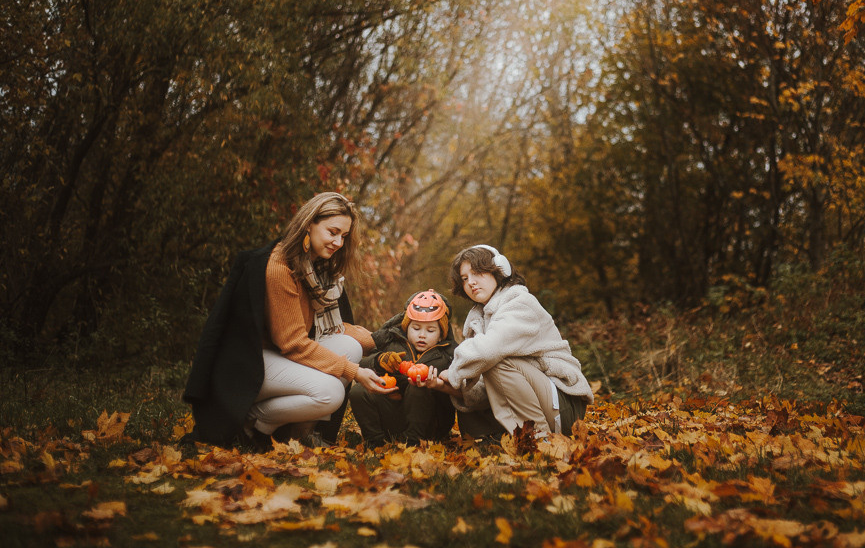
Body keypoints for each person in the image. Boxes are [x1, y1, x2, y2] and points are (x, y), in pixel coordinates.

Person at [183, 192, 395, 450]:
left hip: (279, 356)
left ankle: (299, 433)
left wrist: (377, 340)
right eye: (333, 232)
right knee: (331, 393)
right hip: (248, 365)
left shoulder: (316, 267)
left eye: (344, 236)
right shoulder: (280, 267)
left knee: (351, 347)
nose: (339, 242)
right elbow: (294, 343)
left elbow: (326, 328)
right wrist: (355, 372)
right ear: (309, 224)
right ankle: (254, 424)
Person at [421, 244, 593, 439]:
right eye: (465, 278)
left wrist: (453, 372)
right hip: (538, 399)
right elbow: (488, 388)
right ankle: (501, 438)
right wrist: (441, 385)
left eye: (477, 273)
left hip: (564, 404)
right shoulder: (478, 319)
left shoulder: (520, 303)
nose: (471, 282)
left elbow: (489, 350)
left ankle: (540, 440)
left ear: (499, 269)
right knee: (483, 370)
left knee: (497, 360)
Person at [348, 289, 458, 446]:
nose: (422, 335)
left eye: (430, 330)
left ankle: (414, 443)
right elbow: (361, 365)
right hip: (394, 413)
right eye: (416, 328)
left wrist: (438, 383)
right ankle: (375, 441)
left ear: (441, 334)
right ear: (406, 328)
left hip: (431, 422)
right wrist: (379, 361)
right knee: (358, 391)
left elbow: (460, 386)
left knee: (417, 386)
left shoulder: (449, 354)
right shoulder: (393, 342)